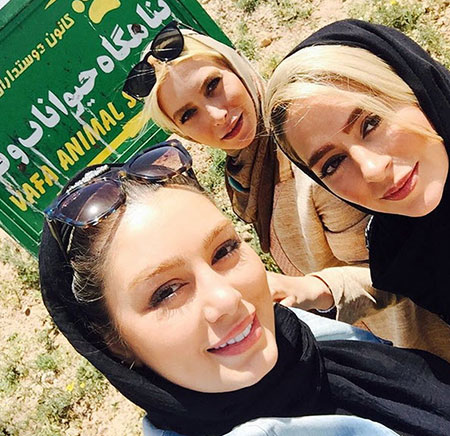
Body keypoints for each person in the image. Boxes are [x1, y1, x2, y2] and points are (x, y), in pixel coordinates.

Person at [39, 140, 450, 436]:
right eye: (166, 292)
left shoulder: (304, 342)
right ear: (113, 344)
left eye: (224, 250)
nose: (226, 299)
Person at [122, 20, 450, 361]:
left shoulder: (323, 163)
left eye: (213, 85)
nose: (216, 114)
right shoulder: (243, 179)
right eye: (189, 114)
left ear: (237, 67)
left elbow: (403, 263)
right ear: (182, 133)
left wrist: (316, 288)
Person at [266, 19, 450, 326]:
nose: (373, 169)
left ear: (415, 86)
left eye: (371, 123)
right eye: (333, 163)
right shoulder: (398, 244)